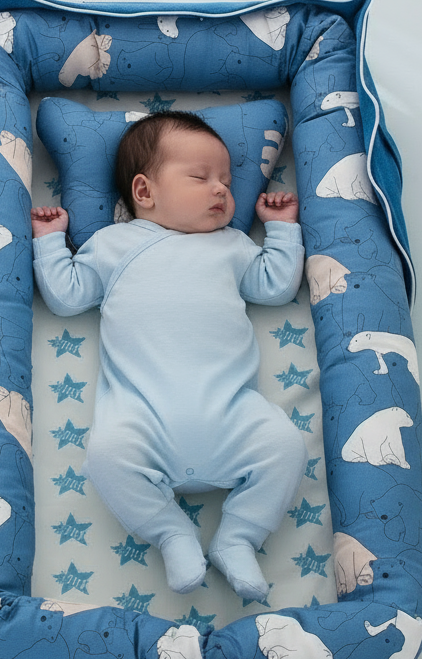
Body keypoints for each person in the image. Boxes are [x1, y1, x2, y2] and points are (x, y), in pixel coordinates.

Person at [31, 111, 307, 600]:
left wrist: (282, 229)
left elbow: (277, 287)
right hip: (142, 420)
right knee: (105, 455)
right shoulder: (112, 245)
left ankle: (239, 536)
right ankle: (172, 533)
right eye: (201, 178)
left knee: (286, 447)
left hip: (233, 414)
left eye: (226, 178)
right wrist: (51, 243)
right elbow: (68, 297)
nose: (222, 189)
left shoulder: (232, 246)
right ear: (144, 191)